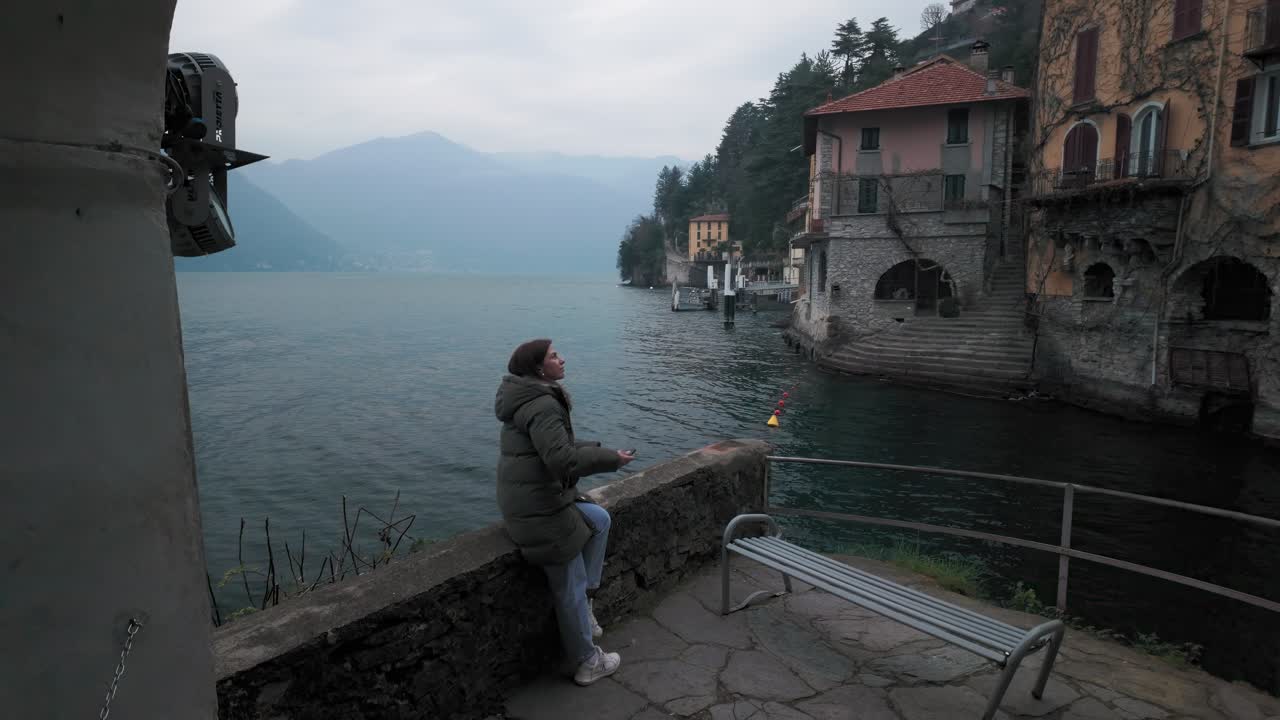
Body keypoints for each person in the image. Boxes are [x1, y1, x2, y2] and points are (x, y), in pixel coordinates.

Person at [494, 339, 636, 685]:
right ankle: (587, 661)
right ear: (539, 369)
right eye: (554, 356)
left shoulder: (530, 398)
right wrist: (610, 461)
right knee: (567, 586)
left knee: (600, 520)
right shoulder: (542, 404)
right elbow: (560, 460)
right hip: (539, 510)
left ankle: (586, 606)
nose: (562, 359)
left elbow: (554, 446)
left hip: (537, 499)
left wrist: (597, 448)